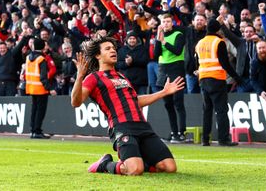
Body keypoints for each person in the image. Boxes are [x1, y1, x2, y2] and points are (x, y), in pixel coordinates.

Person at [71, 36, 185, 175]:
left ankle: (139, 161)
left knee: (169, 167)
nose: (113, 51)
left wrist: (164, 92)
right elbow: (76, 102)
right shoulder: (93, 78)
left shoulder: (121, 76)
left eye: (113, 48)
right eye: (107, 49)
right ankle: (104, 164)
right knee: (135, 170)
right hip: (122, 127)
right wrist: (79, 77)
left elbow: (134, 101)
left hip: (143, 126)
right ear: (97, 55)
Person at [195, 18, 242, 146]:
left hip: (203, 79)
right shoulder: (218, 42)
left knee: (207, 110)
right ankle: (223, 139)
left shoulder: (199, 43)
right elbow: (225, 63)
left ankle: (205, 139)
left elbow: (196, 63)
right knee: (221, 110)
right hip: (216, 79)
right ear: (218, 30)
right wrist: (237, 78)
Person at [155, 13, 187, 143]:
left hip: (176, 69)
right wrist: (158, 40)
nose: (166, 24)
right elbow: (156, 54)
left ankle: (181, 132)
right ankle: (174, 132)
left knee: (178, 102)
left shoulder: (178, 35)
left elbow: (177, 51)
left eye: (168, 21)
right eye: (164, 22)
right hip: (163, 70)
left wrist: (164, 42)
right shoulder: (160, 36)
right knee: (168, 104)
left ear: (172, 23)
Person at [25, 38, 51, 139]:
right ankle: (37, 131)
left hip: (31, 87)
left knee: (34, 109)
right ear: (43, 47)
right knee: (40, 111)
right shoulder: (41, 59)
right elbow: (43, 76)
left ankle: (33, 131)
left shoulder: (28, 57)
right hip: (40, 89)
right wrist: (48, 88)